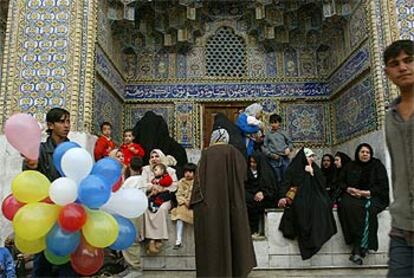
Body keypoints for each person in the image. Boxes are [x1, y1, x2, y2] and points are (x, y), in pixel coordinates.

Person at [191, 128, 256, 277]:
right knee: (234, 234)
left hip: (210, 206)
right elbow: (243, 175)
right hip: (233, 203)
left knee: (212, 238)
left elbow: (199, 182)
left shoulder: (206, 154)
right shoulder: (234, 152)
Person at [22, 107, 78, 277]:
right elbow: (29, 180)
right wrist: (30, 165)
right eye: (62, 121)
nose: (66, 125)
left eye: (68, 121)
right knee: (43, 260)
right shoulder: (40, 150)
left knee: (68, 260)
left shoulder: (74, 150)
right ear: (50, 125)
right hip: (46, 212)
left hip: (69, 211)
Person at [383, 39, 414, 277]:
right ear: (387, 72)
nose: (403, 68)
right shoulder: (389, 117)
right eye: (395, 64)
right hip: (402, 227)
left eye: (409, 60)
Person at [278, 148, 337, 260]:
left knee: (322, 205)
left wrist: (312, 173)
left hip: (316, 196)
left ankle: (315, 239)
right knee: (302, 208)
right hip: (300, 197)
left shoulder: (314, 167)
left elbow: (322, 183)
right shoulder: (294, 169)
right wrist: (282, 197)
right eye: (309, 157)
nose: (312, 159)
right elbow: (286, 183)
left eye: (312, 156)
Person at [336, 143, 390, 265]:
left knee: (367, 209)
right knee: (346, 205)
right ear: (357, 153)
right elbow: (341, 182)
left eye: (367, 152)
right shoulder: (350, 166)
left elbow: (382, 186)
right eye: (362, 152)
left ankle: (359, 248)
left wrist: (366, 193)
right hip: (353, 195)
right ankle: (358, 245)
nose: (365, 154)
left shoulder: (377, 166)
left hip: (373, 196)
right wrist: (349, 189)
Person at [141, 149, 178, 255]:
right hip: (151, 197)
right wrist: (153, 186)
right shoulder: (146, 169)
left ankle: (158, 239)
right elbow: (143, 184)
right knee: (147, 209)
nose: (154, 159)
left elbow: (175, 185)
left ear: (161, 157)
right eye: (152, 157)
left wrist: (163, 188)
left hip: (164, 198)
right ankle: (151, 240)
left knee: (161, 209)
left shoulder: (170, 171)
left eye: (156, 156)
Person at [120, 156, 145, 277]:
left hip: (131, 212)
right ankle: (130, 267)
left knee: (130, 240)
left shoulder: (129, 181)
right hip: (139, 211)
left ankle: (135, 268)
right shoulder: (143, 180)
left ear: (130, 167)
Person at [245, 151, 278, 238]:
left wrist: (263, 193)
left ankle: (255, 230)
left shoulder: (266, 171)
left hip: (265, 198)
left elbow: (271, 188)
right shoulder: (246, 172)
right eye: (251, 162)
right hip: (251, 198)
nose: (252, 164)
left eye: (254, 162)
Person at [170, 163, 197, 249]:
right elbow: (178, 194)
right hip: (183, 205)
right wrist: (185, 202)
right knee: (179, 216)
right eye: (186, 172)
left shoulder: (198, 182)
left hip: (194, 205)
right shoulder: (181, 182)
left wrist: (190, 201)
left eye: (190, 172)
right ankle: (178, 240)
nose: (187, 174)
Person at [262, 113, 293, 184]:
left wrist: (289, 149)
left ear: (279, 123)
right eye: (272, 123)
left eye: (275, 122)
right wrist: (271, 155)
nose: (274, 124)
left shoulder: (284, 133)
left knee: (286, 177)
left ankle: (284, 193)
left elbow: (290, 143)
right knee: (276, 178)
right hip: (274, 159)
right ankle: (277, 194)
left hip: (285, 158)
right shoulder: (268, 134)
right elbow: (264, 147)